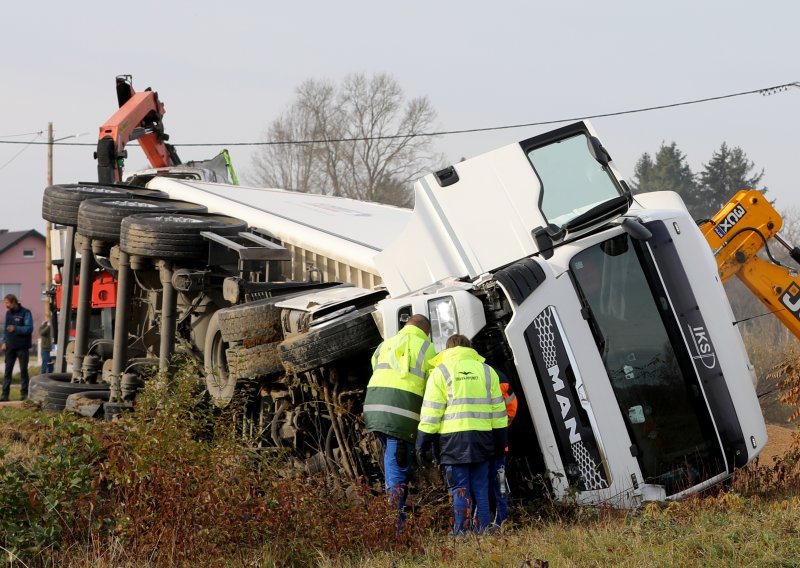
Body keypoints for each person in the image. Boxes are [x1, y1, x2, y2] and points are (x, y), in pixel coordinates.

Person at [416, 334, 507, 534]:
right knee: (481, 489)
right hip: (482, 440)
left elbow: (432, 413)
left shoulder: (440, 372)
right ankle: (482, 531)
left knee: (460, 490)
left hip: (453, 442)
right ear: (470, 348)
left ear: (447, 349)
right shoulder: (487, 371)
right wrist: (500, 442)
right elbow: (499, 412)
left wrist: (421, 443)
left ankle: (461, 533)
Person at [363, 314, 436, 525]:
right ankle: (394, 522)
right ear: (426, 331)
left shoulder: (384, 345)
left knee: (392, 458)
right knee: (398, 463)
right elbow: (433, 385)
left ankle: (397, 516)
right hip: (400, 414)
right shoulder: (427, 348)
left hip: (374, 409)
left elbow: (376, 368)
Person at [489, 371, 517, 526]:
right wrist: (502, 428)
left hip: (475, 444)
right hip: (498, 442)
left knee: (481, 484)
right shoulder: (497, 375)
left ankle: (484, 522)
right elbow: (511, 406)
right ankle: (502, 520)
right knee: (500, 482)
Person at [1, 294, 34, 401]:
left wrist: (15, 328)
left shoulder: (25, 312)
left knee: (23, 371)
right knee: (7, 372)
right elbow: (6, 329)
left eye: (7, 303)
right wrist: (4, 342)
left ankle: (24, 394)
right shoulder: (8, 313)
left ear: (14, 302)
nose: (5, 305)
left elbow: (29, 328)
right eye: (5, 303)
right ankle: (5, 395)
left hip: (22, 347)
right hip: (10, 347)